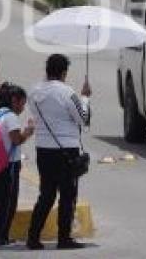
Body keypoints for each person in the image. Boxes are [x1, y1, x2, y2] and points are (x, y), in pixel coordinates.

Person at [27, 54, 91, 251]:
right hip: (66, 150)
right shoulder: (67, 92)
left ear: (47, 70)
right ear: (64, 72)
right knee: (67, 195)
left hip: (43, 149)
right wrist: (85, 98)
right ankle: (64, 238)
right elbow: (83, 119)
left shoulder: (34, 92)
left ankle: (33, 237)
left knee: (46, 195)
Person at [0, 83, 34, 246]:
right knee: (7, 202)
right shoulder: (11, 117)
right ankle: (0, 236)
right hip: (8, 165)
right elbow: (17, 139)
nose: (22, 107)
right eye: (22, 103)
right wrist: (28, 131)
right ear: (14, 100)